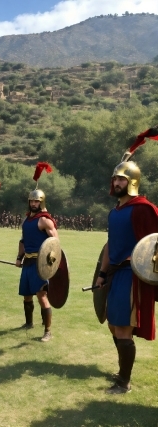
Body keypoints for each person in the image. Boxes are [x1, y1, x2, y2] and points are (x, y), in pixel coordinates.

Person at [95, 127, 158, 394]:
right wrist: (101, 273)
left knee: (123, 327)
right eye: (114, 179)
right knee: (113, 323)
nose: (115, 184)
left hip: (132, 277)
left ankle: (124, 382)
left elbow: (155, 244)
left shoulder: (144, 209)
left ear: (132, 181)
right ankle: (122, 372)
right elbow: (110, 245)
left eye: (120, 180)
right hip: (115, 275)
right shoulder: (115, 212)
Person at [16, 163, 58, 342]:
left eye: (36, 201)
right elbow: (23, 240)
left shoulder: (44, 221)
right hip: (27, 262)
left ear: (41, 202)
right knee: (26, 296)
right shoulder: (27, 219)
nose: (33, 204)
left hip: (40, 265)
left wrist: (50, 263)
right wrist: (19, 257)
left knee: (41, 296)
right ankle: (29, 323)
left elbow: (55, 243)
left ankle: (48, 330)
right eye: (31, 201)